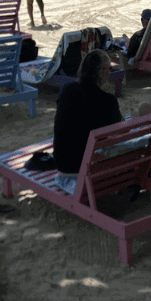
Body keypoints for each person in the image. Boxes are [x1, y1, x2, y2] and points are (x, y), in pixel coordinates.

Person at [52, 50, 122, 194]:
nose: (110, 73)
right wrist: (108, 95)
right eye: (109, 69)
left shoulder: (67, 89)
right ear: (101, 73)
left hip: (63, 163)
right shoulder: (107, 100)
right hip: (87, 168)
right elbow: (121, 129)